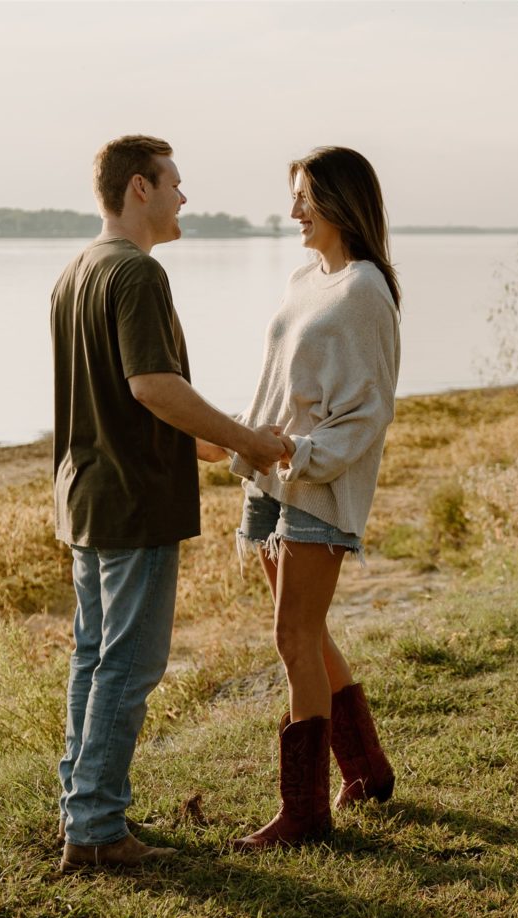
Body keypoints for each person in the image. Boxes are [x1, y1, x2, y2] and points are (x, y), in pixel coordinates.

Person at [53, 134, 286, 873]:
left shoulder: (75, 272)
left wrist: (206, 443)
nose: (186, 197)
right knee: (129, 664)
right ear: (138, 189)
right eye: (175, 183)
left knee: (95, 660)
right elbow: (150, 385)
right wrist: (250, 438)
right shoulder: (136, 275)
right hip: (132, 502)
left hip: (85, 496)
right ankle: (94, 829)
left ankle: (83, 807)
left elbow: (120, 398)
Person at [230, 146, 401, 851]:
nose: (295, 211)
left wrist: (300, 454)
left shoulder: (364, 289)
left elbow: (368, 412)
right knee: (307, 628)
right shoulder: (307, 279)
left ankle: (303, 816)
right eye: (294, 197)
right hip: (269, 476)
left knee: (292, 636)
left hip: (314, 481)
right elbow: (277, 380)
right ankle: (365, 768)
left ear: (339, 202)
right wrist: (240, 441)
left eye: (306, 197)